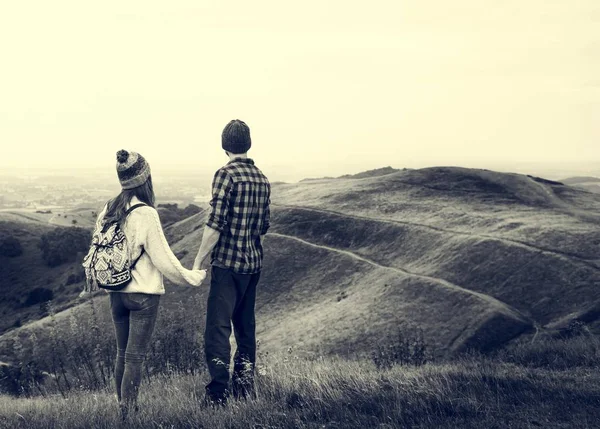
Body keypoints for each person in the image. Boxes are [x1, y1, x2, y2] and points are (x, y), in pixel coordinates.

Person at [89, 150, 207, 419]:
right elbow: (164, 260)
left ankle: (123, 409)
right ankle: (128, 415)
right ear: (145, 178)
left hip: (115, 292)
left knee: (122, 354)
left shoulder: (109, 208)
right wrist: (193, 277)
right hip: (142, 296)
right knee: (134, 357)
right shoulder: (146, 213)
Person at [193, 119, 271, 405]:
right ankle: (244, 386)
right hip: (253, 266)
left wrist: (200, 260)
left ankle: (217, 394)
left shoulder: (225, 175)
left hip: (227, 265)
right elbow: (263, 226)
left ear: (224, 145)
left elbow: (215, 224)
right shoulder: (262, 179)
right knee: (245, 327)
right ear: (248, 144)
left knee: (218, 328)